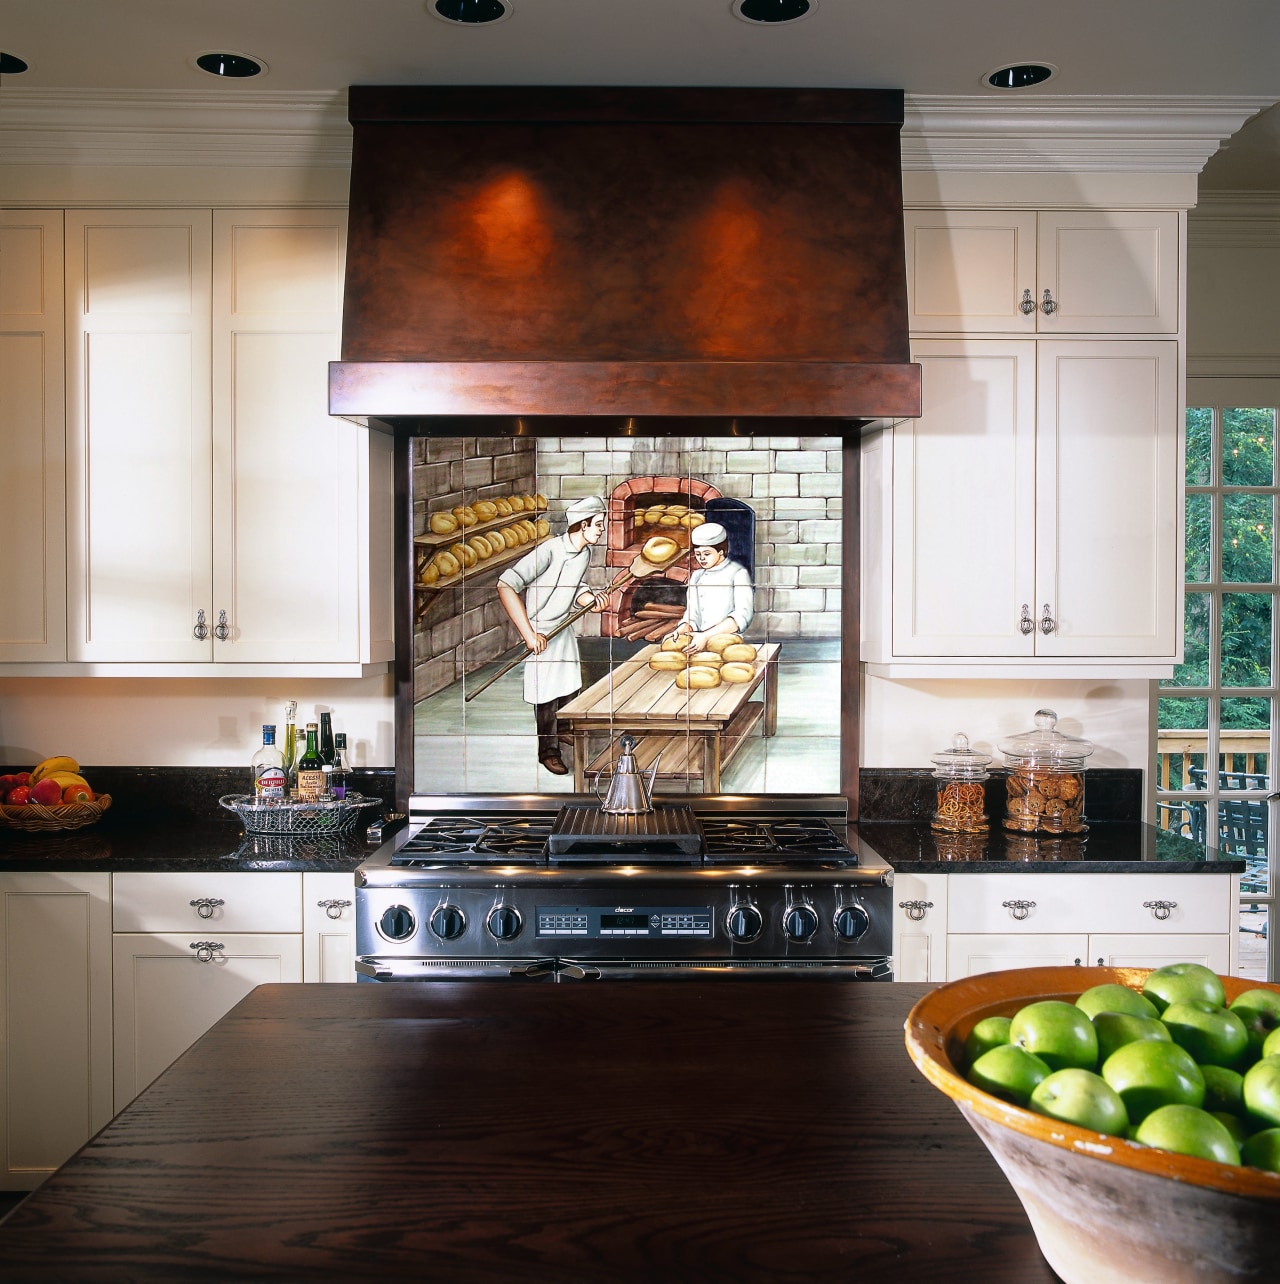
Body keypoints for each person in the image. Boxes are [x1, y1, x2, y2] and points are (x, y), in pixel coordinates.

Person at [496, 495, 609, 775]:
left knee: (570, 683)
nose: (601, 530)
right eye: (597, 524)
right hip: (540, 630)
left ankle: (563, 729)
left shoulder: (584, 553)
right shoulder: (548, 551)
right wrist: (529, 634)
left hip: (562, 628)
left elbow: (575, 585)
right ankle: (548, 750)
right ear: (581, 526)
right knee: (545, 693)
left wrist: (589, 599)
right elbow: (506, 584)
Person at [664, 521, 754, 654]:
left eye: (707, 554)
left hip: (726, 644)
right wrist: (682, 628)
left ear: (721, 552)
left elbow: (741, 617)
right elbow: (692, 614)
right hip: (696, 643)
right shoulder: (697, 576)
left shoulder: (738, 573)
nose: (702, 559)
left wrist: (706, 636)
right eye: (698, 554)